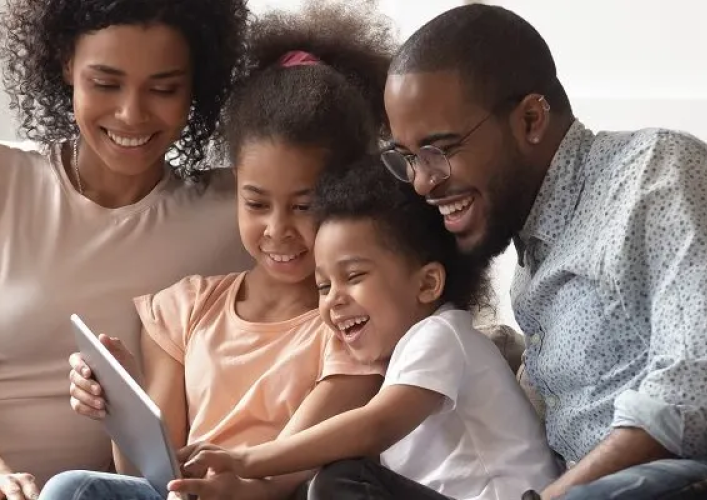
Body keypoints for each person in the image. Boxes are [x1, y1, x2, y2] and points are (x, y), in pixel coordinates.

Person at [39, 2, 396, 500]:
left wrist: (232, 489)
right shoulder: (185, 309)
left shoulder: (349, 327)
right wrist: (121, 403)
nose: (277, 230)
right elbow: (149, 475)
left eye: (303, 206)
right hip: (178, 494)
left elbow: (289, 471)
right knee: (70, 489)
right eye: (256, 202)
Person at [378, 3, 707, 500]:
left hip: (686, 477)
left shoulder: (654, 174)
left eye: (440, 150)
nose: (423, 182)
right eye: (408, 158)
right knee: (342, 480)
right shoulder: (531, 261)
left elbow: (700, 385)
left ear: (531, 120)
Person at [175, 156, 560, 500]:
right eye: (323, 285)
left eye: (354, 275)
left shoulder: (443, 335)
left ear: (427, 284)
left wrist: (247, 459)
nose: (333, 300)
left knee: (343, 479)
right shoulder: (401, 364)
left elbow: (376, 425)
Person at [0, 0, 252, 496]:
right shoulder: (8, 183)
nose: (132, 114)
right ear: (65, 62)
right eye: (106, 83)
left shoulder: (241, 215)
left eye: (164, 88)